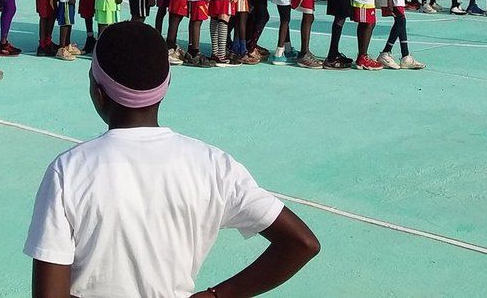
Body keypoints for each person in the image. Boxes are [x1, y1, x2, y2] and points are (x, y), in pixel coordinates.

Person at [24, 22, 319, 297]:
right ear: (164, 89)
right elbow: (302, 243)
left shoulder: (68, 171)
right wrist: (217, 295)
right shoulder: (213, 165)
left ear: (99, 94)